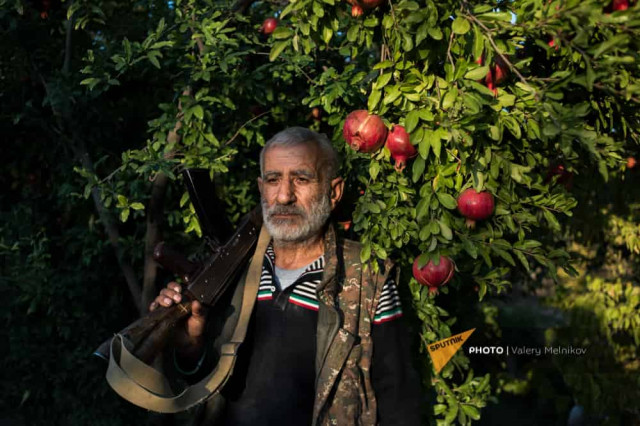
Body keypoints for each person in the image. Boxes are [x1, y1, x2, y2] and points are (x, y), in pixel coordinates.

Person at [150, 127, 424, 425]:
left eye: (301, 179)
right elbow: (207, 383)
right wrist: (191, 348)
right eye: (273, 180)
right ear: (260, 188)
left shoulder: (369, 278)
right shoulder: (233, 269)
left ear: (334, 192)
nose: (284, 195)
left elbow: (400, 401)